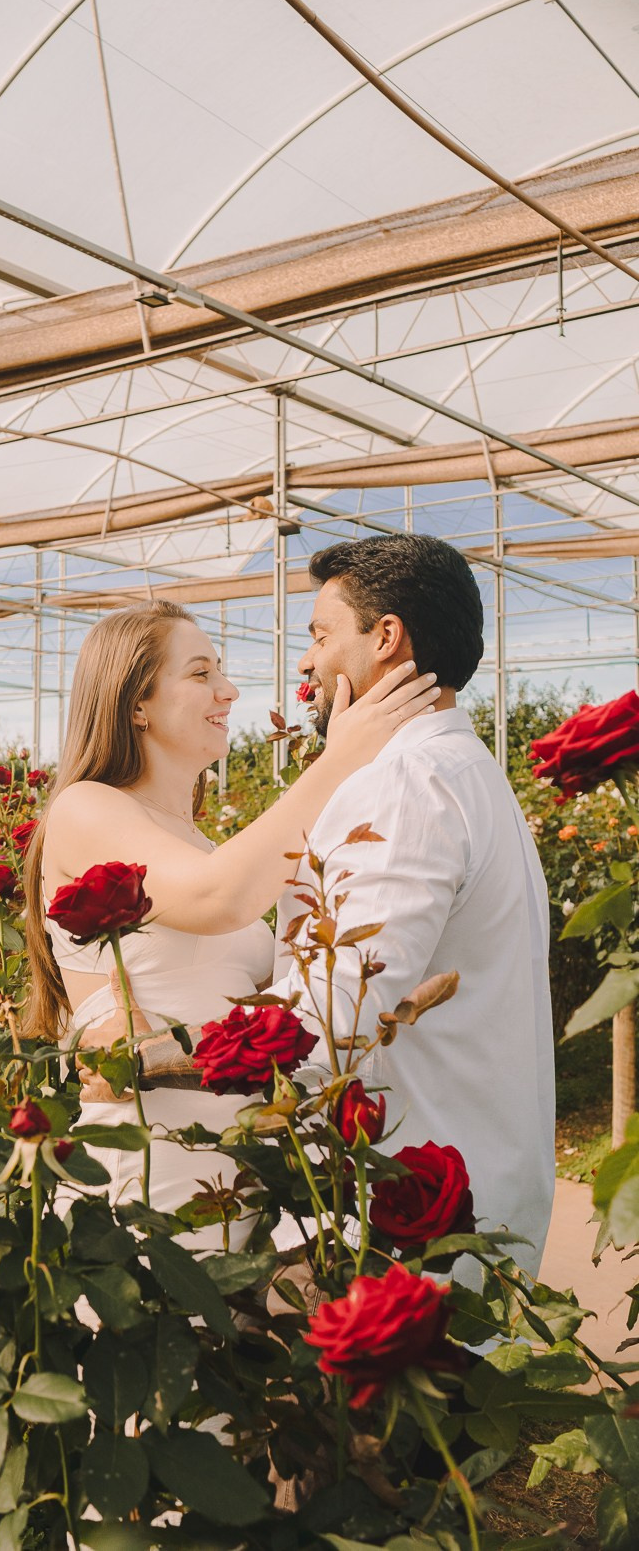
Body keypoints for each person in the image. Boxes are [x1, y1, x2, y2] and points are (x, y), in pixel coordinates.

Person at [23, 599, 438, 1249]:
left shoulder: (193, 837)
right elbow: (222, 898)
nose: (229, 690)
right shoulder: (86, 807)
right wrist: (340, 760)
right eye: (200, 673)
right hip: (152, 1171)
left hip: (230, 1167)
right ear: (136, 704)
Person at [272, 534, 556, 1274]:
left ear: (386, 637)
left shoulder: (407, 782)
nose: (307, 662)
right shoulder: (466, 769)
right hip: (473, 1187)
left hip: (400, 1222)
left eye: (322, 635)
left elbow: (330, 1017)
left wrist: (167, 1055)